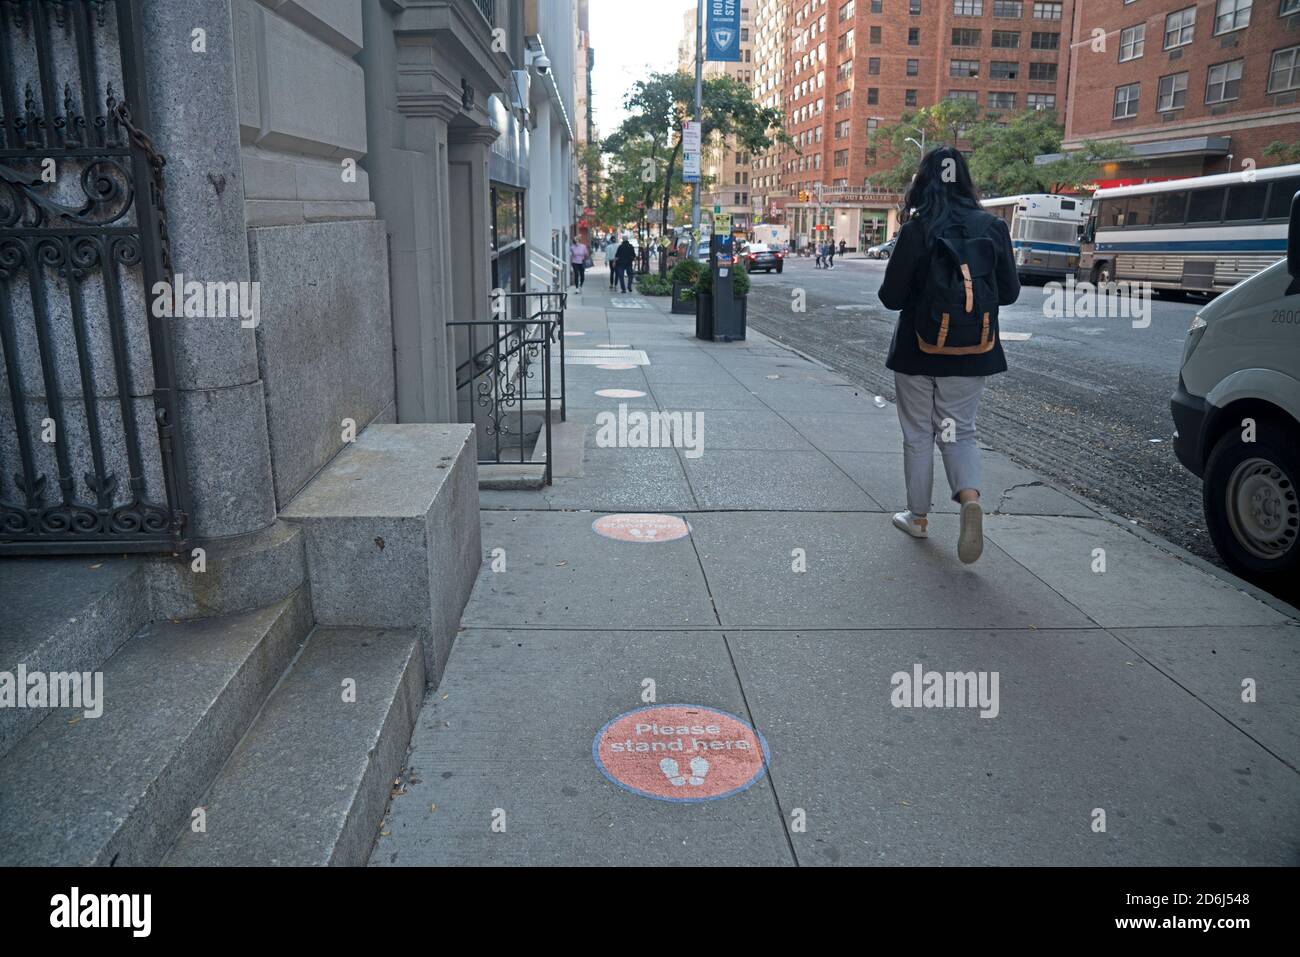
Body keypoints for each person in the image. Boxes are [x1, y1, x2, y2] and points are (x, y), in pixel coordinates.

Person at [877, 145, 1020, 564]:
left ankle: (918, 517)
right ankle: (969, 498)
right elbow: (1009, 293)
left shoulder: (917, 230)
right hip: (973, 351)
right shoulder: (993, 228)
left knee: (918, 434)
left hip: (917, 351)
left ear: (923, 182)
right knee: (961, 431)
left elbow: (891, 297)